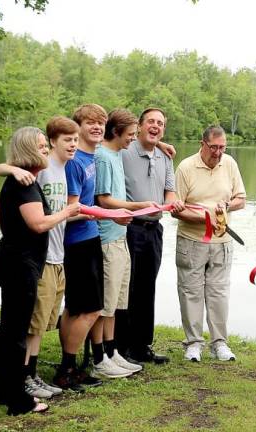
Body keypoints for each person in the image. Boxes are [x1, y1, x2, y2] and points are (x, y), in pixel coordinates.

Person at [0, 126, 80, 415]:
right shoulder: (24, 183)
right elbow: (38, 224)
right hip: (20, 264)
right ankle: (17, 399)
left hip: (18, 259)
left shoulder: (24, 179)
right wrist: (67, 212)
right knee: (15, 333)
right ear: (29, 149)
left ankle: (8, 391)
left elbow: (1, 213)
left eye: (46, 145)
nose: (46, 151)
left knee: (12, 331)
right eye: (42, 147)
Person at [54, 103, 124, 390]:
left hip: (90, 237)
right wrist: (109, 213)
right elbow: (71, 210)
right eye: (90, 123)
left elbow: (87, 205)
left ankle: (69, 368)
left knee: (76, 307)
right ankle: (66, 368)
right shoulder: (74, 162)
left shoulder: (90, 157)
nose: (97, 127)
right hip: (77, 243)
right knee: (91, 309)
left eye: (101, 123)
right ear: (78, 127)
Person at [116, 107, 184, 364]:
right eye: (151, 122)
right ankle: (121, 347)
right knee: (127, 287)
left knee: (147, 287)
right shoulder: (124, 150)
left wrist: (173, 202)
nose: (156, 127)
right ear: (140, 125)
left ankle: (142, 345)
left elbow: (170, 192)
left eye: (161, 124)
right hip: (129, 227)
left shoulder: (166, 157)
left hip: (154, 230)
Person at [93, 109, 158, 376]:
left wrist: (161, 144)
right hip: (108, 237)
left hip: (120, 237)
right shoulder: (104, 158)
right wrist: (138, 207)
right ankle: (101, 359)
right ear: (116, 131)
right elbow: (103, 200)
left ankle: (113, 351)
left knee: (118, 302)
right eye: (130, 134)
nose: (133, 138)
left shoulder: (116, 153)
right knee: (107, 303)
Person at [173, 125, 246, 362]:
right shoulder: (185, 167)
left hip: (222, 241)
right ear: (202, 143)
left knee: (218, 293)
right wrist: (206, 217)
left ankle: (219, 343)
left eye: (222, 147)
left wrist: (225, 206)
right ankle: (193, 343)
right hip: (192, 240)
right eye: (213, 147)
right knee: (190, 291)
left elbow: (241, 199)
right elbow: (176, 209)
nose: (218, 152)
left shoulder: (230, 164)